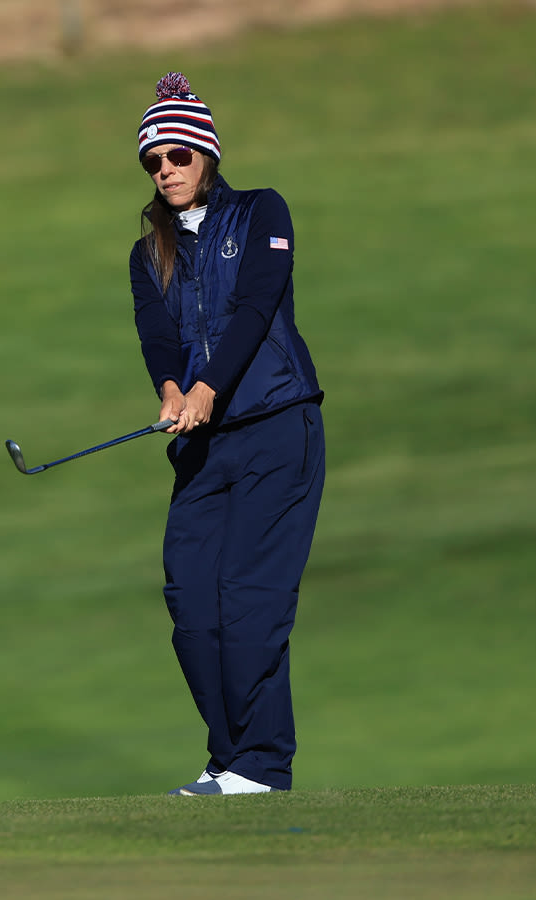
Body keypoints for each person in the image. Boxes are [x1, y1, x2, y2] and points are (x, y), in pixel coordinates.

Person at [128, 72, 326, 796]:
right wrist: (175, 391)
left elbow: (254, 305)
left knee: (249, 601)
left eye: (177, 155)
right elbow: (157, 336)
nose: (166, 170)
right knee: (190, 604)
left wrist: (210, 385)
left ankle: (261, 767)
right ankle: (229, 758)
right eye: (154, 162)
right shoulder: (149, 253)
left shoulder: (260, 211)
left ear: (205, 153)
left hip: (278, 428)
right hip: (205, 448)